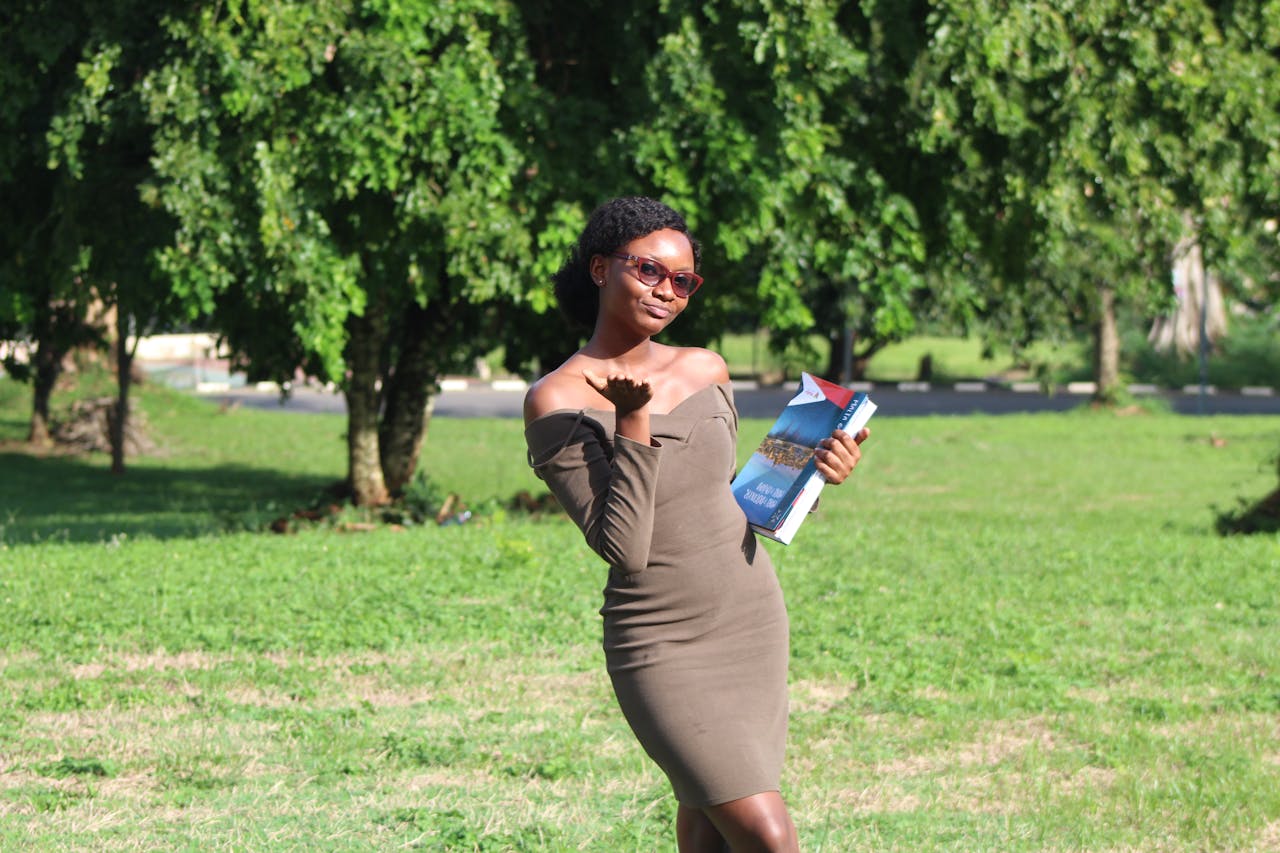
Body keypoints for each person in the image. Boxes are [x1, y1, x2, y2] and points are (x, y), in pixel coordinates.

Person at [523, 196, 868, 852]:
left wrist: (817, 472)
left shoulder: (706, 366)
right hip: (660, 641)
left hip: (750, 617)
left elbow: (734, 497)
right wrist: (632, 420)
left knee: (708, 825)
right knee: (768, 834)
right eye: (650, 270)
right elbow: (624, 546)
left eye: (682, 280)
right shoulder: (557, 397)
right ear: (601, 267)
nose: (666, 290)